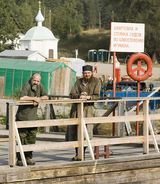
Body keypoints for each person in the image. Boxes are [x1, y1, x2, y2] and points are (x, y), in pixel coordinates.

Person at [65, 65, 101, 161]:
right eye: (85, 73)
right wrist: (80, 95)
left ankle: (83, 153)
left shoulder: (96, 81)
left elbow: (97, 95)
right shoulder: (79, 82)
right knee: (75, 132)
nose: (87, 75)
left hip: (88, 110)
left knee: (87, 132)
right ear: (83, 73)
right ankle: (78, 154)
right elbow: (72, 94)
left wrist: (88, 97)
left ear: (92, 73)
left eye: (88, 73)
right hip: (76, 110)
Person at [16, 73, 48, 166]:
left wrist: (39, 98)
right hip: (23, 118)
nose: (36, 82)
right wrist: (34, 99)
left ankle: (28, 158)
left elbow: (46, 96)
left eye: (38, 81)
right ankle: (20, 160)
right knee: (22, 139)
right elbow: (22, 97)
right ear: (31, 79)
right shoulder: (27, 85)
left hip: (33, 119)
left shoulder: (39, 86)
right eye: (34, 80)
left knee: (31, 140)